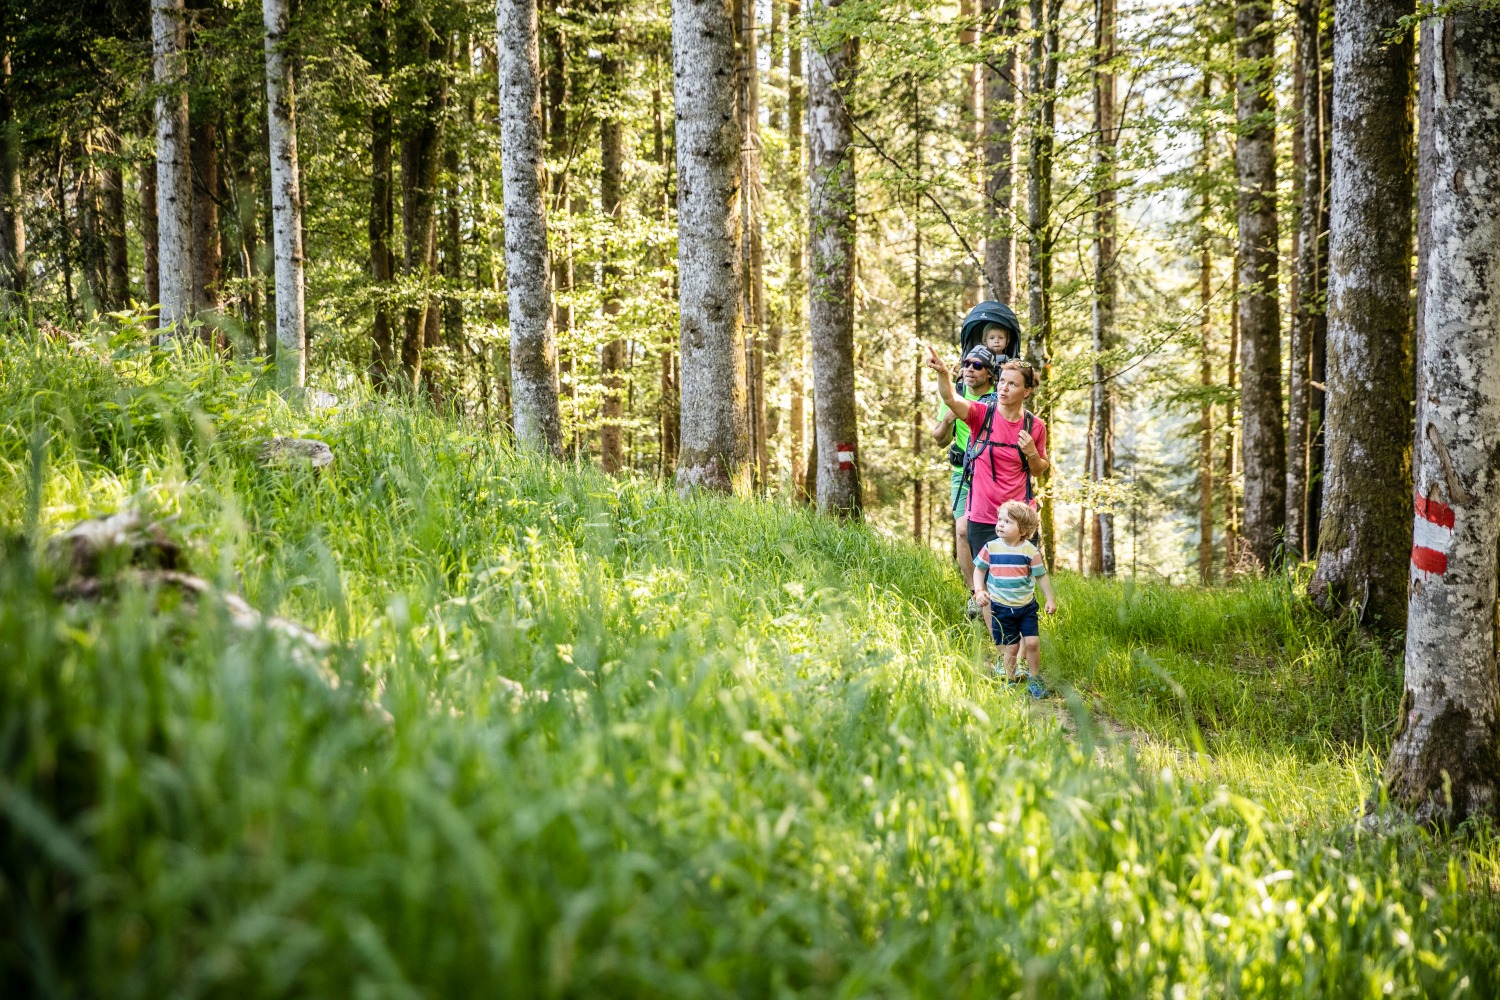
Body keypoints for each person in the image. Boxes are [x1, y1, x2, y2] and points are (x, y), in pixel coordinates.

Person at [924, 344, 1050, 564]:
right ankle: (976, 596)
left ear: (1026, 391)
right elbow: (951, 399)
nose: (1003, 388)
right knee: (988, 582)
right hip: (981, 516)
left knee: (1013, 584)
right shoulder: (981, 414)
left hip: (1017, 519)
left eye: (1012, 384)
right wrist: (943, 374)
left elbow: (1039, 470)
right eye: (1002, 381)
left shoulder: (1035, 426)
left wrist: (1031, 453)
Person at [930, 345, 998, 616]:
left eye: (977, 365)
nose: (969, 369)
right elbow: (939, 441)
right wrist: (947, 421)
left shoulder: (998, 398)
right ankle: (975, 593)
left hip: (992, 475)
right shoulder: (954, 396)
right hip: (963, 475)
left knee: (994, 534)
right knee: (962, 530)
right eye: (966, 364)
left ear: (990, 373)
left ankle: (999, 590)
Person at [973, 500, 1057, 696]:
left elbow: (1041, 576)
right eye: (1000, 520)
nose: (1000, 524)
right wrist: (979, 590)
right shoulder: (991, 547)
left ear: (1023, 530)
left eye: (1008, 522)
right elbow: (979, 569)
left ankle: (1034, 679)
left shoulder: (1029, 551)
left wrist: (1050, 599)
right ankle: (1009, 681)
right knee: (1011, 647)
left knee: (1033, 643)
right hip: (1001, 607)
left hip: (1026, 606)